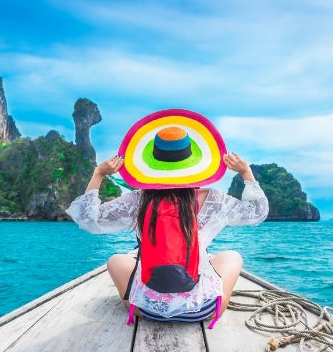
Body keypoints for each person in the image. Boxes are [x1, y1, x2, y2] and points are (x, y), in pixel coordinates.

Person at [66, 109, 268, 325]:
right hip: (202, 310)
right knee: (233, 256)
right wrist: (245, 171)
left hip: (148, 310)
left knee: (115, 260)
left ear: (151, 164)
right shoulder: (213, 200)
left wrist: (99, 173)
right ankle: (211, 297)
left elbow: (88, 218)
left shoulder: (138, 201)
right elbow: (258, 212)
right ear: (194, 163)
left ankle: (148, 301)